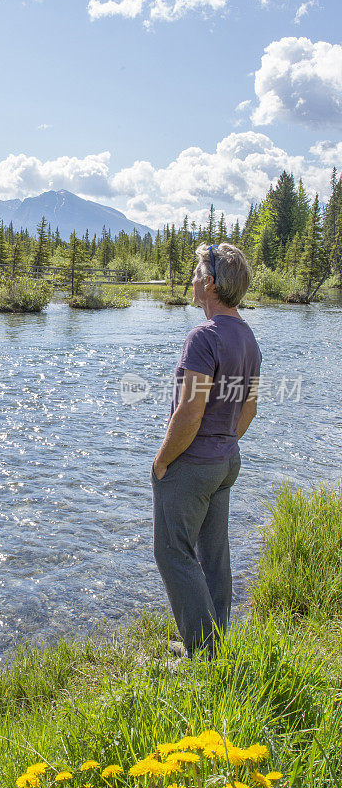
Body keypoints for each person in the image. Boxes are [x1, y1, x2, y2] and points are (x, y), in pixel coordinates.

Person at [152, 242, 261, 657]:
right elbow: (248, 409)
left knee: (172, 552)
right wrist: (224, 444)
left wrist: (162, 462)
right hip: (225, 461)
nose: (193, 279)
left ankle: (202, 652)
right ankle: (217, 646)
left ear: (211, 284)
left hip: (193, 464)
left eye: (198, 273)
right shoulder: (248, 339)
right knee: (213, 556)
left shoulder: (203, 336)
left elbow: (190, 412)